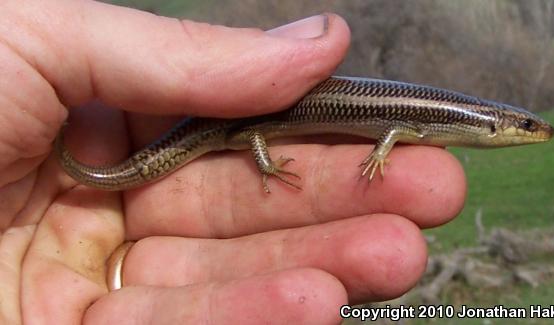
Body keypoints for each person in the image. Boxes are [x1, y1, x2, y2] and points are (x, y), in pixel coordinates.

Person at [0, 1, 466, 324]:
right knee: (248, 137)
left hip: (235, 131)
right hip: (232, 130)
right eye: (522, 128)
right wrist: (264, 166)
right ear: (488, 126)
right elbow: (245, 134)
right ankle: (260, 163)